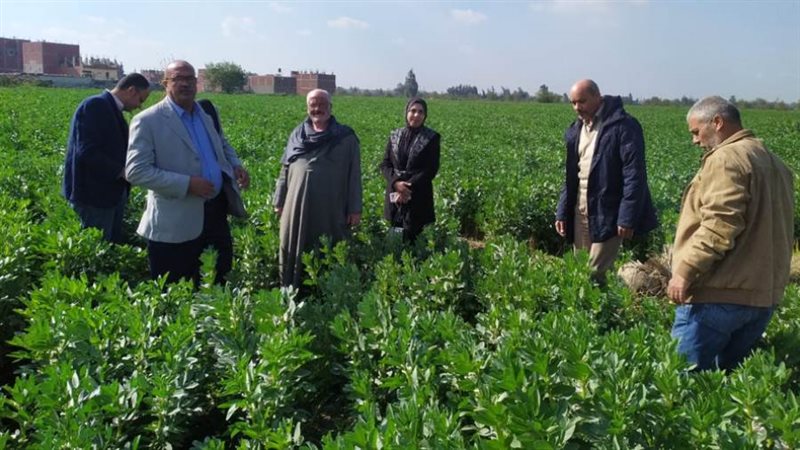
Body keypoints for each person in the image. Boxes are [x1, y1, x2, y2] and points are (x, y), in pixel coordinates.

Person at [667, 96, 794, 371]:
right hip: (762, 297)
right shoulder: (774, 162)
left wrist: (685, 271)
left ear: (717, 122)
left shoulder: (725, 158)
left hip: (721, 294)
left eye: (696, 131)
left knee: (678, 386)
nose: (695, 140)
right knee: (723, 392)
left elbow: (720, 223)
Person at [125, 60, 250, 285]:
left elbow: (221, 144)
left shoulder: (206, 114)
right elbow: (136, 171)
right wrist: (187, 184)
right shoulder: (147, 120)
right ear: (165, 84)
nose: (185, 84)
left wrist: (235, 165)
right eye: (177, 79)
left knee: (218, 282)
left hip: (215, 214)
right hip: (175, 223)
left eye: (189, 79)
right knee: (177, 289)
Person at [555, 79, 658, 283]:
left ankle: (596, 311)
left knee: (594, 273)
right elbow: (571, 175)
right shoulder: (576, 129)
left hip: (608, 211)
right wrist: (562, 209)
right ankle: (594, 310)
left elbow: (634, 174)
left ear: (598, 97)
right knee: (579, 270)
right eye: (573, 103)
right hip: (580, 210)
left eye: (582, 101)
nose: (577, 107)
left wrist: (627, 216)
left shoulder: (623, 126)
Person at [273, 89, 362, 288]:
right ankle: (293, 288)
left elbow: (354, 175)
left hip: (331, 206)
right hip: (296, 204)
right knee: (295, 243)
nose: (317, 108)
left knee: (328, 248)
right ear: (307, 108)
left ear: (330, 107)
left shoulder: (346, 137)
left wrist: (355, 208)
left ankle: (327, 292)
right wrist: (279, 200)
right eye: (313, 104)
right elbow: (284, 170)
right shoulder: (297, 135)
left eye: (322, 104)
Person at [62, 73, 151, 243]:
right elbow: (87, 151)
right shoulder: (95, 105)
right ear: (131, 90)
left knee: (110, 246)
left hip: (110, 194)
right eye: (141, 100)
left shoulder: (110, 108)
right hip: (94, 196)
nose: (139, 106)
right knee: (97, 250)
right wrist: (121, 171)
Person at [379, 97, 441, 242]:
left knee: (415, 239)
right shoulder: (395, 135)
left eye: (421, 112)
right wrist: (396, 183)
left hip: (418, 195)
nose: (416, 115)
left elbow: (430, 169)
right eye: (413, 111)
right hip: (395, 193)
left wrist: (407, 188)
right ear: (406, 112)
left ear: (425, 115)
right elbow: (385, 164)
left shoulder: (431, 138)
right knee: (394, 237)